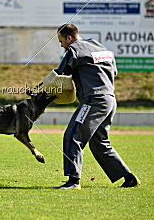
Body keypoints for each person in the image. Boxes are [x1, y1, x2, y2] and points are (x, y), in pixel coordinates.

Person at [53, 24, 140, 190]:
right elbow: (113, 72)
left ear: (69, 38)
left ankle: (73, 181)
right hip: (110, 100)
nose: (62, 45)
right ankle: (128, 177)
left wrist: (39, 90)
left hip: (93, 101)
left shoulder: (73, 50)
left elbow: (59, 74)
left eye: (61, 41)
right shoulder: (100, 47)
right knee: (99, 142)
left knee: (73, 136)